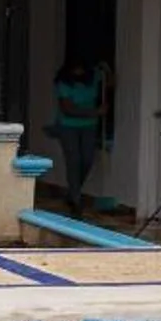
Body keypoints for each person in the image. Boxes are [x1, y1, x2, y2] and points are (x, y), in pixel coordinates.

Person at [50, 56, 110, 217]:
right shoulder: (63, 82)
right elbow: (67, 109)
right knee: (74, 160)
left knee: (87, 159)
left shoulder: (94, 76)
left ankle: (72, 191)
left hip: (89, 127)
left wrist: (107, 70)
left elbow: (110, 84)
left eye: (81, 69)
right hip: (67, 126)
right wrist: (95, 112)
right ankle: (76, 201)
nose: (79, 73)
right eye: (76, 70)